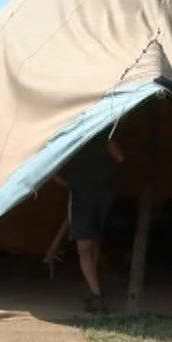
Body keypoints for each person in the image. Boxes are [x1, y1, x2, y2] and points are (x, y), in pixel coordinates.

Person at [54, 132, 124, 313]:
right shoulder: (103, 134)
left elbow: (55, 167)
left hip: (81, 197)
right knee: (94, 242)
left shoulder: (71, 135)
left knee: (84, 248)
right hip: (102, 196)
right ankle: (95, 287)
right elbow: (120, 157)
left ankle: (96, 294)